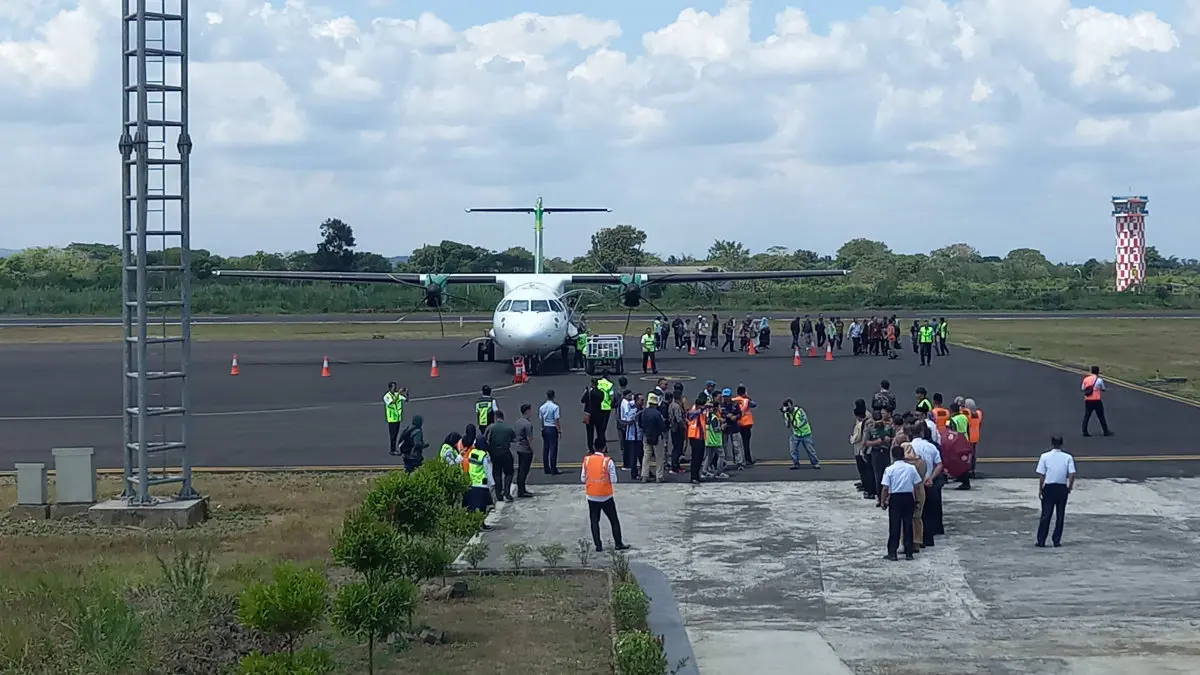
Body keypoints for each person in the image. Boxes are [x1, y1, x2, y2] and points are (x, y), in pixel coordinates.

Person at [581, 438, 630, 552]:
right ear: (604, 447)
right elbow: (614, 480)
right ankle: (618, 543)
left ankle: (598, 546)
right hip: (605, 495)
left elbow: (583, 478)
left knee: (594, 520)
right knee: (613, 520)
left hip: (591, 495)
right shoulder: (608, 461)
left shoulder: (587, 460)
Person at [880, 445, 921, 561]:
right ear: (903, 455)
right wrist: (917, 499)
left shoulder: (889, 469)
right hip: (908, 497)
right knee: (908, 525)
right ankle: (909, 552)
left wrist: (883, 501)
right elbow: (916, 486)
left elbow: (885, 488)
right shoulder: (911, 468)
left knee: (894, 526)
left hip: (895, 498)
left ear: (893, 456)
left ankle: (892, 552)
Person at [1035, 436, 1076, 548]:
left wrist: (1040, 489)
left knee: (1046, 514)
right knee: (1060, 515)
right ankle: (1056, 540)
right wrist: (1069, 487)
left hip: (1049, 487)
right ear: (1061, 444)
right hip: (1061, 487)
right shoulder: (1068, 457)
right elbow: (1072, 474)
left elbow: (1042, 475)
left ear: (1052, 443)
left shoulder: (1044, 456)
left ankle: (1041, 540)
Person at [485, 410, 517, 501]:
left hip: (495, 453)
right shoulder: (508, 428)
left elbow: (486, 440)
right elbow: (514, 439)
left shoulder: (490, 428)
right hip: (505, 452)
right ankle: (507, 492)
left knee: (496, 473)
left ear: (495, 417)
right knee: (509, 473)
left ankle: (499, 494)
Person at [864, 411, 894, 508]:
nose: (878, 423)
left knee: (888, 475)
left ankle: (887, 497)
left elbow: (894, 438)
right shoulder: (871, 429)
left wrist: (889, 440)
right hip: (876, 454)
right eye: (876, 421)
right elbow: (866, 443)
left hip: (886, 453)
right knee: (878, 477)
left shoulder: (888, 427)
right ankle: (879, 497)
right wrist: (877, 442)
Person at [462, 441, 495, 525]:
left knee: (473, 506)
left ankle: (472, 523)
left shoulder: (471, 453)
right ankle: (481, 524)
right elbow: (487, 470)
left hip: (472, 483)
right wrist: (492, 483)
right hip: (482, 484)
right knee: (482, 507)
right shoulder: (484, 455)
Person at [782, 398, 820, 469]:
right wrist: (787, 421)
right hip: (796, 434)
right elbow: (787, 426)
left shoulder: (799, 411)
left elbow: (805, 420)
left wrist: (798, 425)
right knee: (793, 450)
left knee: (810, 450)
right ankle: (795, 464)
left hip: (805, 433)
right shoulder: (786, 414)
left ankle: (815, 463)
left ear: (791, 405)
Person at [639, 392, 667, 482]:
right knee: (659, 457)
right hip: (657, 436)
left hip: (646, 436)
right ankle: (659, 476)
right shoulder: (657, 414)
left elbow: (640, 424)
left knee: (646, 456)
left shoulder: (643, 412)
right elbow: (662, 426)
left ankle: (644, 475)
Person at [1081, 365, 1114, 437]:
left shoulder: (1086, 379)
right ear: (1098, 372)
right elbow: (1103, 389)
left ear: (1091, 371)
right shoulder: (1099, 380)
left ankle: (1085, 431)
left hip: (1088, 400)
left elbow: (1083, 388)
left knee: (1087, 416)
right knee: (1101, 416)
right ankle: (1106, 431)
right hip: (1096, 400)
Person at [513, 403, 536, 498]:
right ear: (527, 411)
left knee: (520, 470)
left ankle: (521, 489)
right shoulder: (528, 424)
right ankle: (522, 491)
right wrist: (533, 450)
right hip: (526, 449)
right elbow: (530, 439)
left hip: (519, 448)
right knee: (524, 471)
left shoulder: (518, 422)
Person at [731, 386, 757, 466]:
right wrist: (748, 397)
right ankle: (748, 459)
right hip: (746, 424)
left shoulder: (733, 400)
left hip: (736, 424)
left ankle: (736, 459)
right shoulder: (747, 400)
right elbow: (754, 404)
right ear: (744, 392)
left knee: (735, 443)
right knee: (746, 443)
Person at [539, 389, 562, 475]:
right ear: (553, 396)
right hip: (552, 428)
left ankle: (546, 468)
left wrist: (542, 428)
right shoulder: (555, 407)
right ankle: (553, 468)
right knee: (553, 449)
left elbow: (541, 420)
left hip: (545, 427)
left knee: (546, 448)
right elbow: (556, 419)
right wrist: (559, 430)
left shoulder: (542, 407)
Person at [581, 379, 605, 452]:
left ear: (592, 384)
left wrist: (585, 392)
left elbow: (582, 400)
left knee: (589, 432)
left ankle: (590, 447)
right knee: (600, 431)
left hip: (589, 414)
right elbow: (601, 400)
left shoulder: (589, 393)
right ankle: (602, 446)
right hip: (598, 414)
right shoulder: (601, 392)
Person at [384, 382, 407, 455]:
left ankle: (394, 449)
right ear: (390, 388)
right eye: (394, 388)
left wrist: (406, 393)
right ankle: (392, 450)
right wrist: (399, 393)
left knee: (396, 434)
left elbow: (406, 400)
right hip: (392, 419)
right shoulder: (387, 396)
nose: (395, 389)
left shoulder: (397, 395)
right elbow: (392, 402)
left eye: (396, 387)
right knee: (393, 435)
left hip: (397, 418)